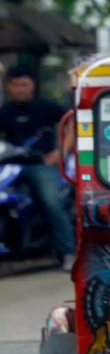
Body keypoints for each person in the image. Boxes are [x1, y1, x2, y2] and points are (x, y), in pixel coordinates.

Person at [0, 66, 74, 270]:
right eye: (15, 85)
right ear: (8, 87)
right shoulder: (4, 111)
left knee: (51, 201)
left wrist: (61, 152)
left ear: (32, 85)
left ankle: (68, 252)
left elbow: (71, 124)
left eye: (24, 84)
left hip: (41, 166)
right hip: (11, 167)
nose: (20, 89)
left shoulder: (46, 106)